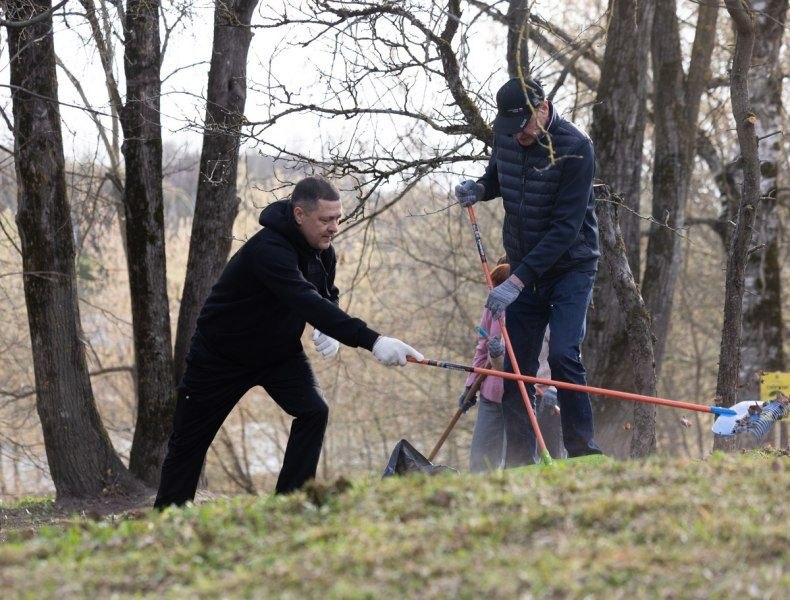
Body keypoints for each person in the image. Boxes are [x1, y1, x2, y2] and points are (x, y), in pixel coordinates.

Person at [155, 175, 423, 507]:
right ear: (299, 215)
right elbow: (303, 298)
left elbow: (324, 296)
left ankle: (289, 506)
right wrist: (374, 341)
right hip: (220, 356)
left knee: (314, 411)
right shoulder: (269, 250)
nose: (333, 227)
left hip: (279, 354)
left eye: (337, 219)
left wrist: (329, 324)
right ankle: (167, 518)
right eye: (326, 220)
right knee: (188, 443)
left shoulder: (323, 252)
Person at [454, 76, 602, 465]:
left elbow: (565, 229)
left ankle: (583, 452)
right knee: (516, 364)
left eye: (523, 127)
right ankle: (521, 460)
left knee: (566, 354)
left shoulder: (576, 148)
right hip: (523, 261)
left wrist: (516, 281)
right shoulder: (508, 136)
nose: (517, 136)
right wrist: (479, 189)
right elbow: (496, 178)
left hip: (571, 264)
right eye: (509, 129)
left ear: (542, 109)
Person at [457, 262, 509, 472]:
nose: (493, 292)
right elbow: (481, 347)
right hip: (491, 398)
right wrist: (471, 386)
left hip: (520, 399)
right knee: (480, 465)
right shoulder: (493, 305)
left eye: (498, 286)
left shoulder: (532, 306)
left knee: (515, 465)